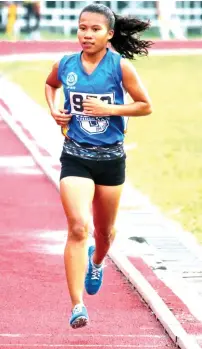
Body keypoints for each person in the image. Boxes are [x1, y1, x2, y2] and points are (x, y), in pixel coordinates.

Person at [45, 3, 152, 329]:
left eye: (94, 29)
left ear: (109, 34)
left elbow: (145, 106)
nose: (86, 34)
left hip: (110, 160)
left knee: (103, 233)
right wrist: (54, 110)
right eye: (82, 28)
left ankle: (97, 260)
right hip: (76, 155)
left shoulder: (119, 67)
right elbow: (51, 85)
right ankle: (77, 305)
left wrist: (110, 110)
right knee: (79, 226)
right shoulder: (65, 64)